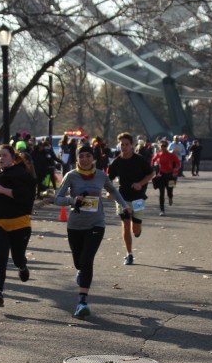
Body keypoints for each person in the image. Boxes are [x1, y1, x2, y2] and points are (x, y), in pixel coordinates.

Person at [54, 144, 130, 319]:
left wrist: (124, 205)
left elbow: (113, 190)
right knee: (79, 262)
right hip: (75, 225)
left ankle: (82, 302)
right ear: (77, 158)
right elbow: (57, 199)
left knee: (87, 260)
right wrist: (73, 200)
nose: (85, 159)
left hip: (96, 224)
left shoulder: (101, 175)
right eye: (81, 156)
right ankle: (80, 271)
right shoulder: (71, 176)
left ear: (93, 158)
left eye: (88, 156)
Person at [0, 144, 37, 307]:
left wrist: (3, 190)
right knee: (0, 258)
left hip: (19, 222)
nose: (0, 158)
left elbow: (25, 197)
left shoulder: (22, 175)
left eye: (4, 155)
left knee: (17, 258)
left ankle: (22, 267)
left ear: (12, 158)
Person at [107, 132, 154, 266]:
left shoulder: (140, 160)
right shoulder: (116, 162)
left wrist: (140, 184)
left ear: (131, 145)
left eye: (126, 144)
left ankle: (138, 229)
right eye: (122, 144)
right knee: (126, 224)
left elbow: (151, 174)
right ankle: (129, 254)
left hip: (138, 199)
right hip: (122, 198)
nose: (124, 147)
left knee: (135, 230)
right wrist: (110, 192)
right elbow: (108, 179)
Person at [150, 139, 181, 215]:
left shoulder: (171, 155)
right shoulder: (158, 154)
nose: (163, 147)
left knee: (170, 191)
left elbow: (178, 163)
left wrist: (175, 170)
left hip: (171, 176)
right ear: (159, 146)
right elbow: (152, 160)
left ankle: (170, 198)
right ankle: (162, 210)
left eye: (164, 146)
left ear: (167, 146)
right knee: (161, 193)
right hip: (161, 175)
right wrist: (153, 167)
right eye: (161, 146)